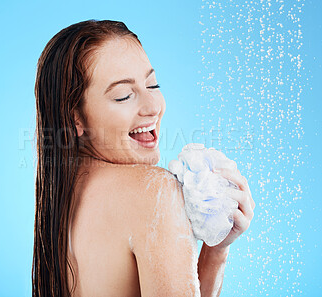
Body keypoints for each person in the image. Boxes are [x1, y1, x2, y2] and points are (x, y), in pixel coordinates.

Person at [32, 19, 255, 297]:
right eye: (124, 96)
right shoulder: (154, 192)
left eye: (152, 85)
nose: (153, 107)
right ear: (75, 118)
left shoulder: (59, 199)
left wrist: (216, 249)